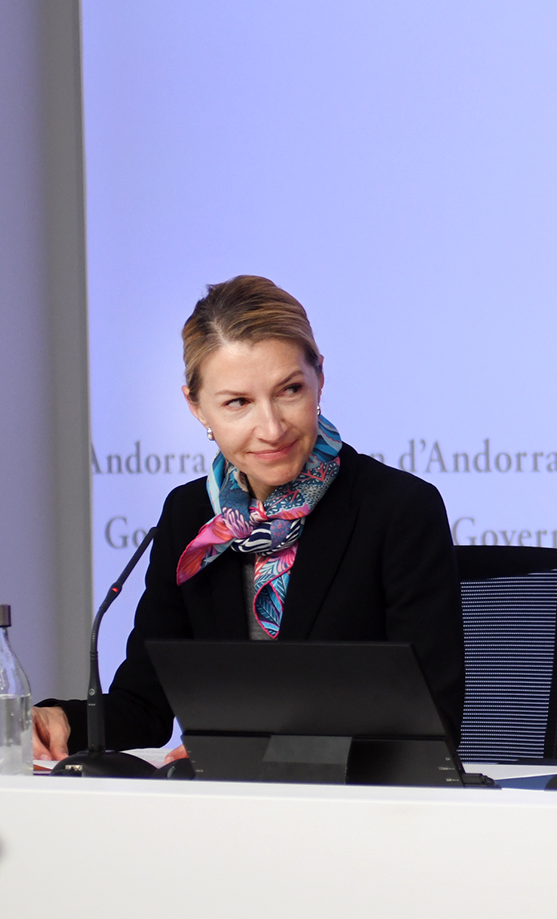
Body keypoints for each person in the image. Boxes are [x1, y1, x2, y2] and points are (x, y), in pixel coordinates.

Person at [32, 276, 464, 759]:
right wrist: (63, 720)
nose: (272, 428)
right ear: (197, 407)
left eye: (290, 390)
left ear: (319, 379)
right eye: (238, 402)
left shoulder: (399, 508)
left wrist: (260, 754)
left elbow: (430, 721)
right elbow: (144, 706)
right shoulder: (190, 516)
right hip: (231, 802)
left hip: (356, 802)